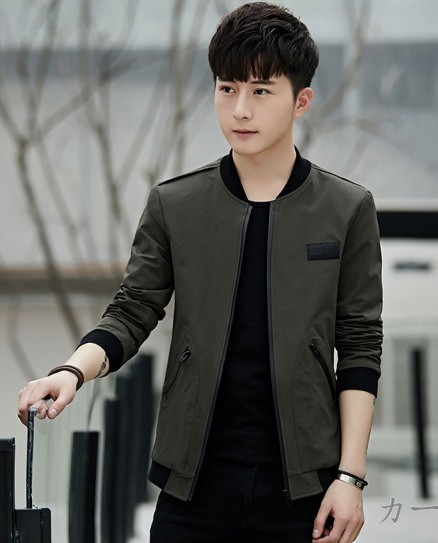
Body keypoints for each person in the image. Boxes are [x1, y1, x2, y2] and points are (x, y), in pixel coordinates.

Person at [17, 3, 383, 542]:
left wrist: (350, 478)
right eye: (226, 88)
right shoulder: (177, 204)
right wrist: (71, 371)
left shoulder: (346, 208)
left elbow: (359, 344)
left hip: (304, 488)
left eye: (261, 90)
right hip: (192, 488)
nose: (240, 109)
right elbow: (133, 309)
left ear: (301, 101)